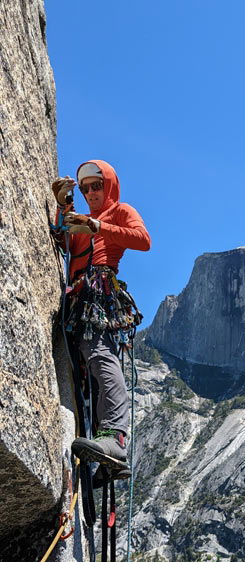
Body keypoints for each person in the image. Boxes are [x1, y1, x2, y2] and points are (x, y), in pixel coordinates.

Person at [52, 160, 151, 471]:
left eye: (97, 185)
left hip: (100, 291)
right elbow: (64, 242)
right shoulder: (82, 219)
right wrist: (63, 206)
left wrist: (97, 227)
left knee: (99, 354)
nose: (91, 192)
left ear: (109, 185)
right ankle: (106, 462)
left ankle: (116, 438)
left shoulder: (120, 211)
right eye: (85, 188)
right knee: (86, 369)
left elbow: (143, 240)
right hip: (79, 297)